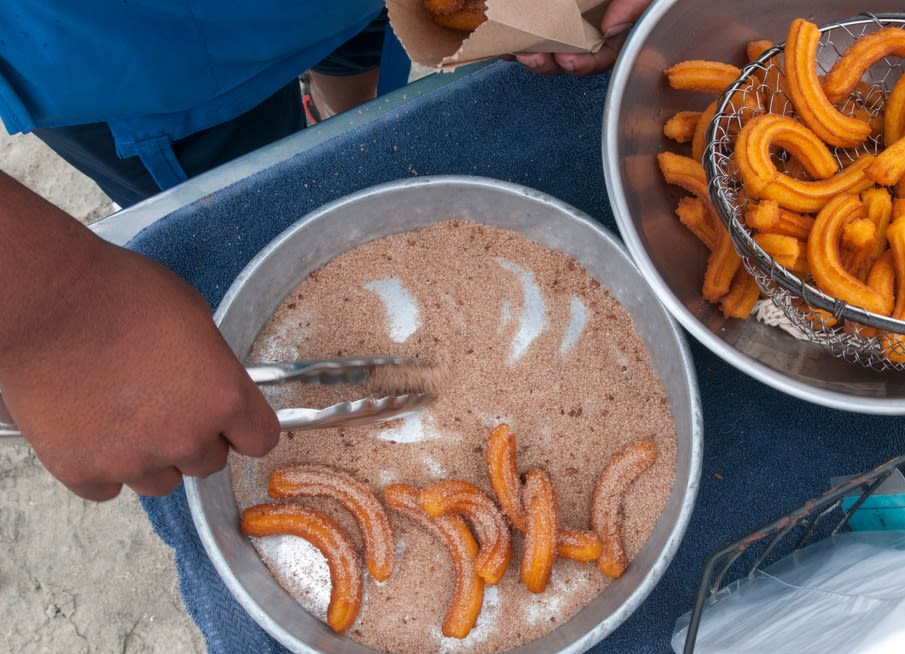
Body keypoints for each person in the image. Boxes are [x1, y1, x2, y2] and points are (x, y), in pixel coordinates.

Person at [0, 0, 653, 502]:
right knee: (247, 223)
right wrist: (52, 307)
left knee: (357, 77)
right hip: (154, 55)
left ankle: (332, 117)